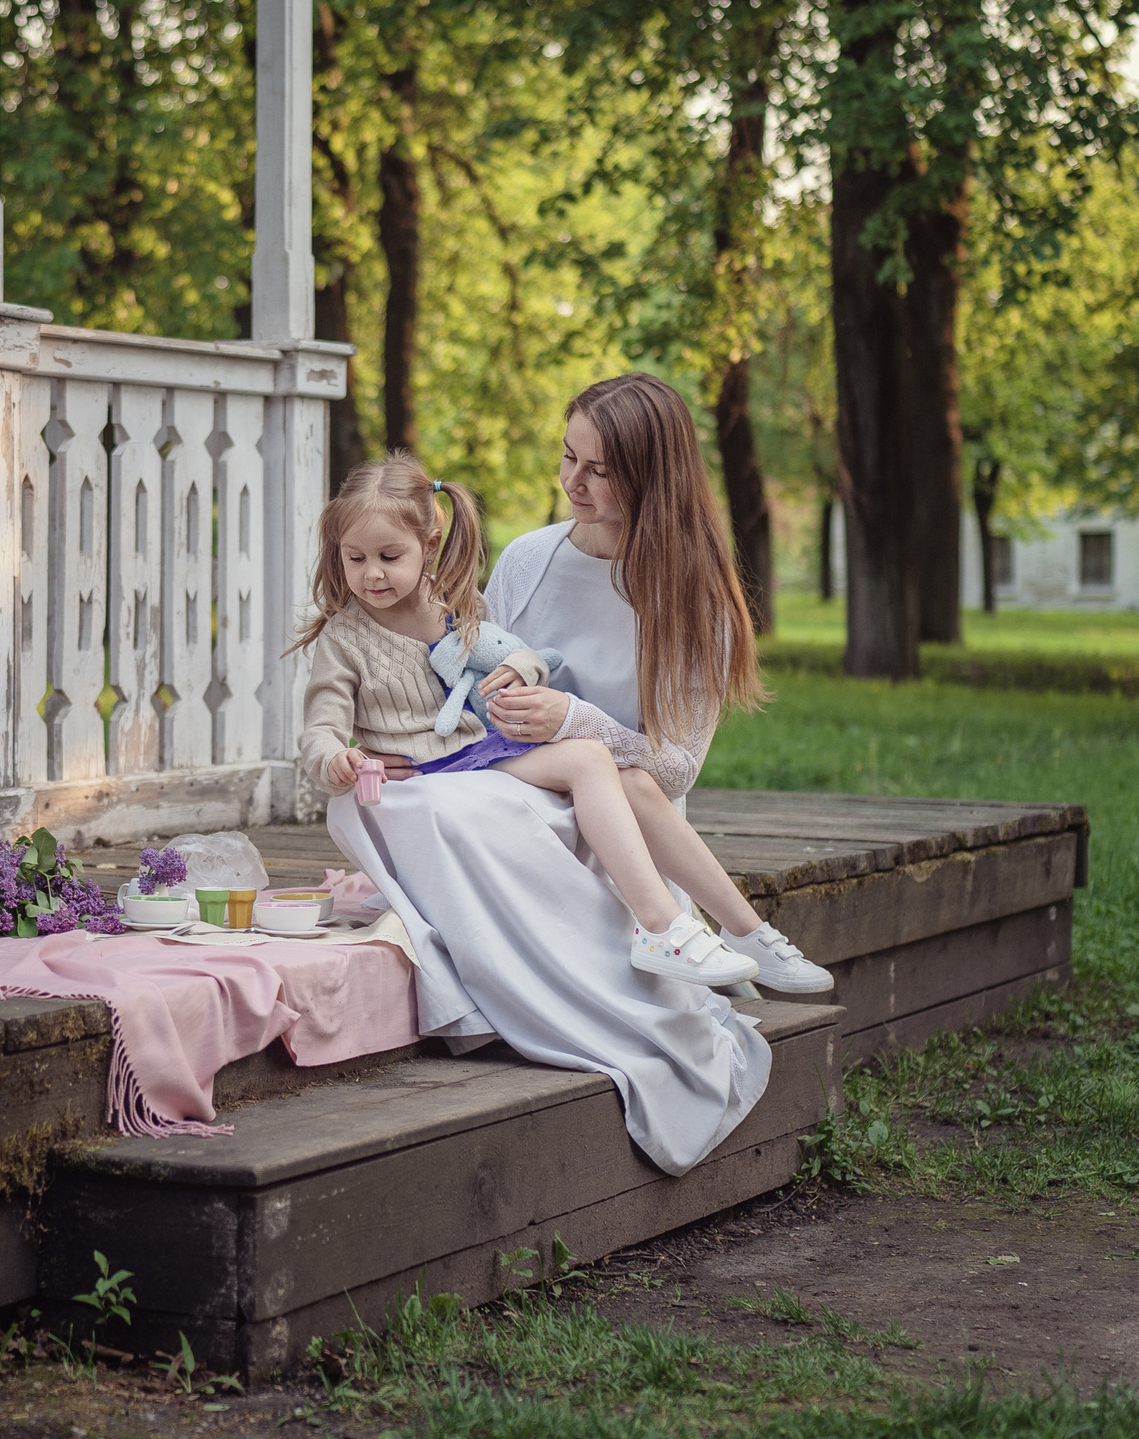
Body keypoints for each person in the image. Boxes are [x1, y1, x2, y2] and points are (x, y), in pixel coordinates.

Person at [320, 373, 827, 1175]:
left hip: (620, 821)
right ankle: (739, 932)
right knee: (454, 801)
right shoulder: (531, 558)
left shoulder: (692, 597)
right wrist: (396, 735)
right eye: (568, 457)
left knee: (622, 778)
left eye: (599, 469)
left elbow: (674, 767)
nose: (573, 482)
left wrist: (572, 718)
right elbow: (466, 668)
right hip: (511, 778)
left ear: (652, 477)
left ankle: (721, 930)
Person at [294, 454, 759, 988]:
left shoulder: (455, 605)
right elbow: (322, 727)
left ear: (429, 544)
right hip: (424, 769)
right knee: (585, 765)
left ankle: (661, 924)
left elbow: (519, 654)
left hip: (479, 751)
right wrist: (337, 759)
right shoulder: (344, 638)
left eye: (389, 556)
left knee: (591, 756)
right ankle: (667, 925)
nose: (371, 573)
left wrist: (521, 668)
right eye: (354, 558)